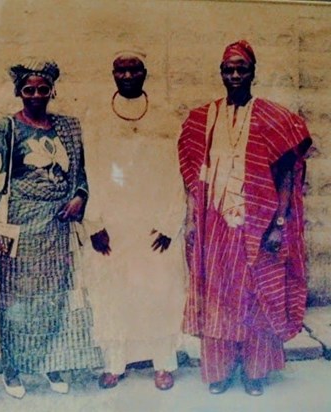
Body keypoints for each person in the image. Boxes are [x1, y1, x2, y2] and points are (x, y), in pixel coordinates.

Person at [178, 40, 312, 396]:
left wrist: (279, 225)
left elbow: (288, 174)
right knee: (220, 296)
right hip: (216, 226)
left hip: (259, 224)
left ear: (253, 72)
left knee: (256, 297)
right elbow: (192, 177)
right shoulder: (201, 118)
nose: (235, 74)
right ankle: (219, 371)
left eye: (242, 68)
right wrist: (193, 221)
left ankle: (255, 371)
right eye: (228, 69)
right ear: (220, 73)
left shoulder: (273, 117)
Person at [0, 59, 103, 399]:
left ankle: (52, 362)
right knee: (15, 300)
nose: (35, 95)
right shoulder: (8, 129)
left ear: (52, 90)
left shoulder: (68, 128)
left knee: (54, 297)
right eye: (28, 89)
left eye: (42, 89)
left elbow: (82, 176)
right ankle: (13, 368)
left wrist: (80, 197)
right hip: (16, 225)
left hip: (57, 225)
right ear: (19, 92)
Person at [84, 50, 186, 391]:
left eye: (134, 70)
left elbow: (177, 174)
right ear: (113, 73)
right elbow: (90, 173)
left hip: (153, 225)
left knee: (160, 291)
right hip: (113, 224)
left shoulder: (166, 116)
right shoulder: (97, 117)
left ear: (145, 72)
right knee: (114, 293)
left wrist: (171, 224)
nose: (127, 76)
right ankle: (115, 363)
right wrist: (94, 223)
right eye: (121, 70)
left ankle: (163, 363)